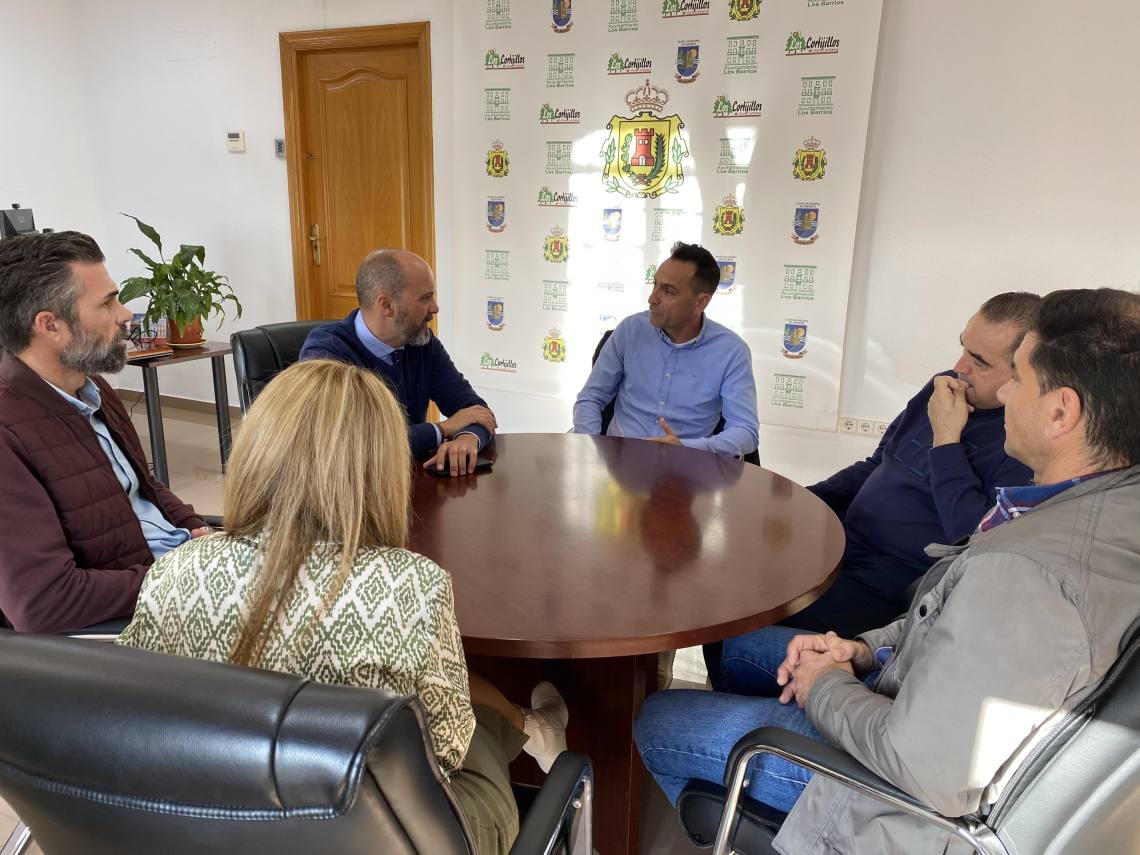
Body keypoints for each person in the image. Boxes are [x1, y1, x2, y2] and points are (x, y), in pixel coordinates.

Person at [636, 288, 1140, 854]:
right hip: (907, 684)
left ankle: (747, 821)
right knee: (737, 648)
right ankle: (739, 787)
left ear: (1061, 412)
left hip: (885, 793)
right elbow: (947, 612)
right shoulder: (1091, 506)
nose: (1000, 391)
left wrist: (824, 684)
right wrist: (863, 651)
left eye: (1017, 377)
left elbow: (920, 764)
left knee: (658, 720)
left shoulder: (1027, 571)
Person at [118, 359, 569, 855]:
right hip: (376, 837)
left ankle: (533, 727)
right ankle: (536, 732)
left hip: (212, 826)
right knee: (476, 732)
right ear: (381, 470)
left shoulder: (175, 570)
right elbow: (447, 750)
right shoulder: (412, 585)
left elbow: (138, 712)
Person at [0, 231, 208, 633]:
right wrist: (181, 578)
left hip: (173, 574)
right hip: (132, 622)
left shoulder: (90, 388)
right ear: (51, 325)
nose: (125, 313)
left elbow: (143, 486)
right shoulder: (8, 432)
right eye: (107, 302)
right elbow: (44, 603)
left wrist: (196, 529)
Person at [300, 248, 497, 477]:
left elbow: (475, 410)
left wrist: (466, 439)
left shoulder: (422, 343)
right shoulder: (326, 353)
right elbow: (350, 445)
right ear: (386, 305)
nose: (435, 308)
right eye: (425, 298)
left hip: (412, 482)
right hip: (352, 490)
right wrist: (442, 429)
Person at [572, 241, 759, 459]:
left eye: (668, 291)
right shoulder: (630, 330)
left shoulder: (731, 352)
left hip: (685, 468)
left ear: (700, 302)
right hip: (617, 464)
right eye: (655, 285)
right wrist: (592, 449)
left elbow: (746, 431)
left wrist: (686, 447)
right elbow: (591, 398)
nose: (652, 299)